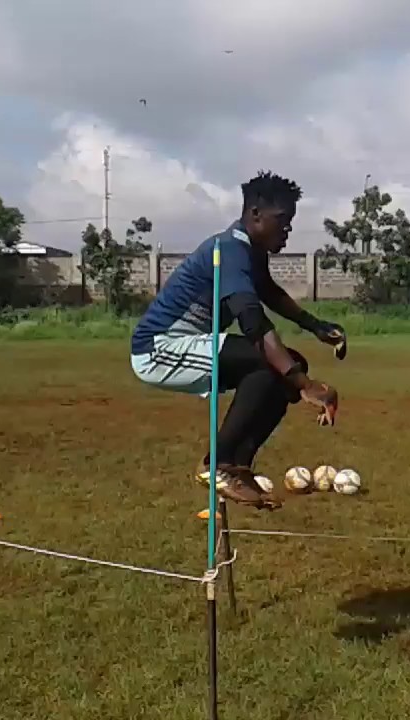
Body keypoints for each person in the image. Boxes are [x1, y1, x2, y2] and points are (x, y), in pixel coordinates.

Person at [130, 171, 346, 509]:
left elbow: (268, 293)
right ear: (255, 215)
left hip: (193, 341)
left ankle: (237, 467)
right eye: (282, 221)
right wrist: (304, 384)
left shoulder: (250, 251)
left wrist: (314, 325)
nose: (287, 230)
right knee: (275, 364)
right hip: (159, 349)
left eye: (290, 223)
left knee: (283, 366)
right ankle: (215, 465)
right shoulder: (229, 249)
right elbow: (253, 323)